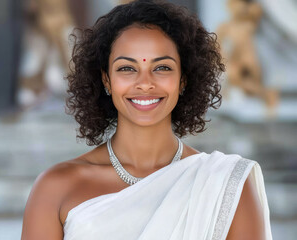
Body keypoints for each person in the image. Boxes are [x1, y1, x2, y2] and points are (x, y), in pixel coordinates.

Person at [21, 0, 272, 239]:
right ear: (106, 80)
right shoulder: (55, 188)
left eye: (161, 67)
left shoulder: (227, 184)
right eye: (127, 68)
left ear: (183, 79)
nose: (144, 84)